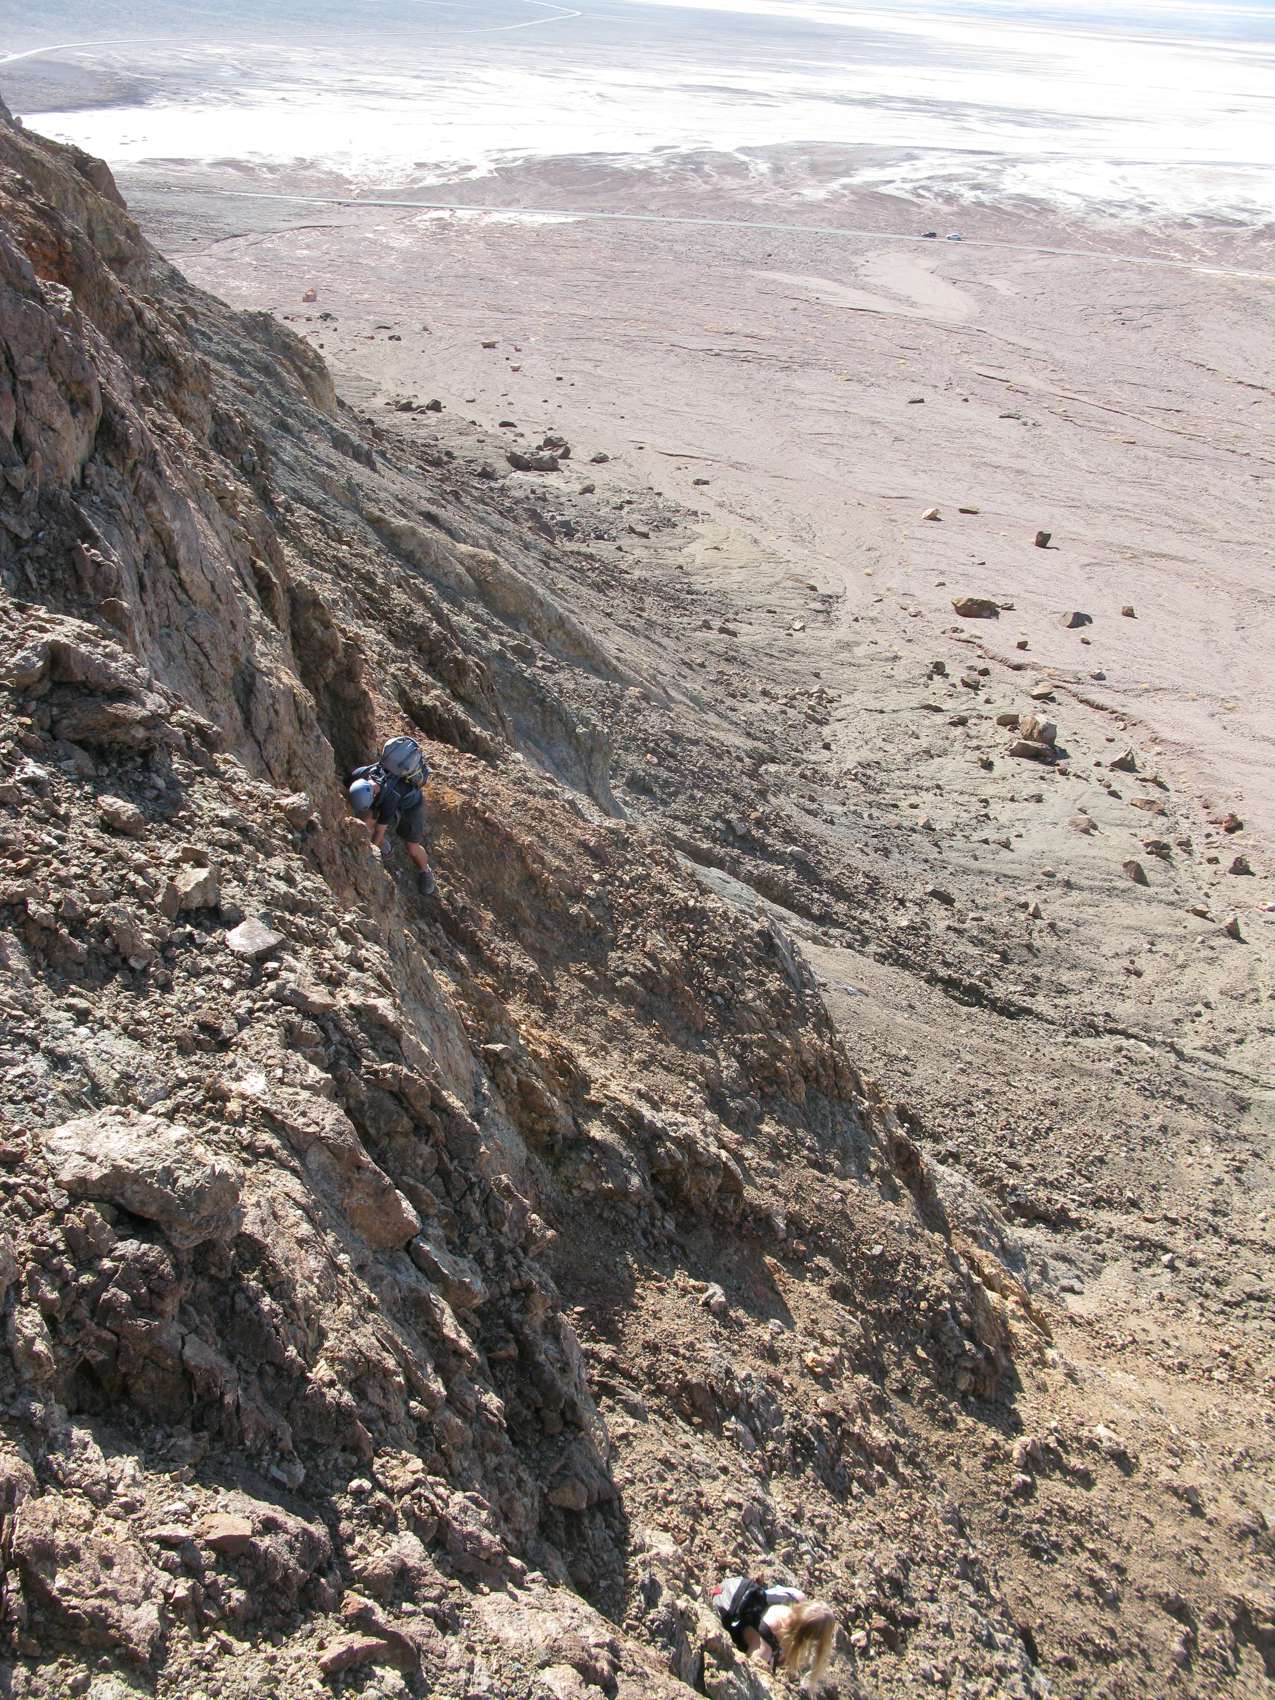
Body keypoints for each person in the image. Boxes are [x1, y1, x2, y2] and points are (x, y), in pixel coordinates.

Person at [348, 736, 437, 897]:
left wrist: (370, 856)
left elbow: (380, 830)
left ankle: (425, 871)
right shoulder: (362, 774)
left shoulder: (391, 796)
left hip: (410, 806)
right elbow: (346, 782)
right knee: (367, 822)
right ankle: (386, 849)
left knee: (412, 848)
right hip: (384, 798)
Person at [711, 1575, 836, 1688]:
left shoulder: (794, 1597)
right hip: (719, 1609)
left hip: (727, 1588)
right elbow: (748, 1681)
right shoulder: (764, 1649)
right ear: (808, 1638)